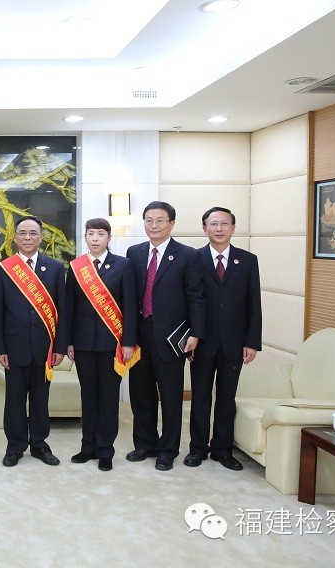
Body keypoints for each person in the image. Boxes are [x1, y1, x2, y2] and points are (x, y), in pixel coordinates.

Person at [125, 201, 205, 471]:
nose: (154, 225)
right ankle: (145, 444)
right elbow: (130, 296)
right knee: (141, 393)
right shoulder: (134, 252)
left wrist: (196, 333)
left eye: (160, 220)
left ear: (172, 223)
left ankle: (167, 450)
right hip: (140, 334)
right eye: (149, 220)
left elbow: (196, 297)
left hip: (172, 337)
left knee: (170, 396)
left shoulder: (187, 255)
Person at [185, 206, 261, 471]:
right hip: (202, 341)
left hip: (234, 342)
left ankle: (222, 449)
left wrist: (252, 342)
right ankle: (197, 449)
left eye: (224, 223)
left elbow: (254, 303)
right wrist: (191, 336)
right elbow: (190, 301)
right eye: (213, 224)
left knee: (227, 398)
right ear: (204, 228)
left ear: (233, 228)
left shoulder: (247, 260)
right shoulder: (194, 258)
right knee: (200, 397)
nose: (219, 229)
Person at [0, 216, 67, 467]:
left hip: (45, 349)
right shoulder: (3, 269)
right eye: (22, 233)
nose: (27, 237)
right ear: (14, 237)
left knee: (40, 400)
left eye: (33, 233)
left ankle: (39, 444)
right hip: (14, 348)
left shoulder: (55, 268)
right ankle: (15, 447)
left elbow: (62, 311)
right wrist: (0, 348)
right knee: (14, 401)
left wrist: (59, 347)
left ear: (41, 237)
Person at [66, 218, 138, 472]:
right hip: (83, 344)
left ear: (109, 238)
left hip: (112, 344)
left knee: (108, 399)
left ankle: (105, 450)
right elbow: (69, 307)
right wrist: (69, 341)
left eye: (100, 234)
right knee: (88, 397)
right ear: (85, 237)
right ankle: (88, 447)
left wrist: (129, 341)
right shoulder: (76, 267)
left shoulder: (123, 266)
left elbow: (130, 306)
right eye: (91, 234)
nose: (95, 239)